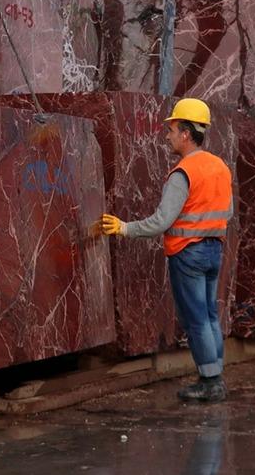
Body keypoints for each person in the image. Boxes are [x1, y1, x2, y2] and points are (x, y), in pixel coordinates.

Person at [100, 98, 233, 403]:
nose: (168, 135)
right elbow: (228, 211)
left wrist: (124, 227)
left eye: (172, 129)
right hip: (214, 249)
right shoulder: (220, 167)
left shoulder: (183, 172)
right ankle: (216, 376)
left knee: (196, 318)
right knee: (211, 314)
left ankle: (210, 382)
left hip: (188, 253)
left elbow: (162, 221)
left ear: (186, 133)